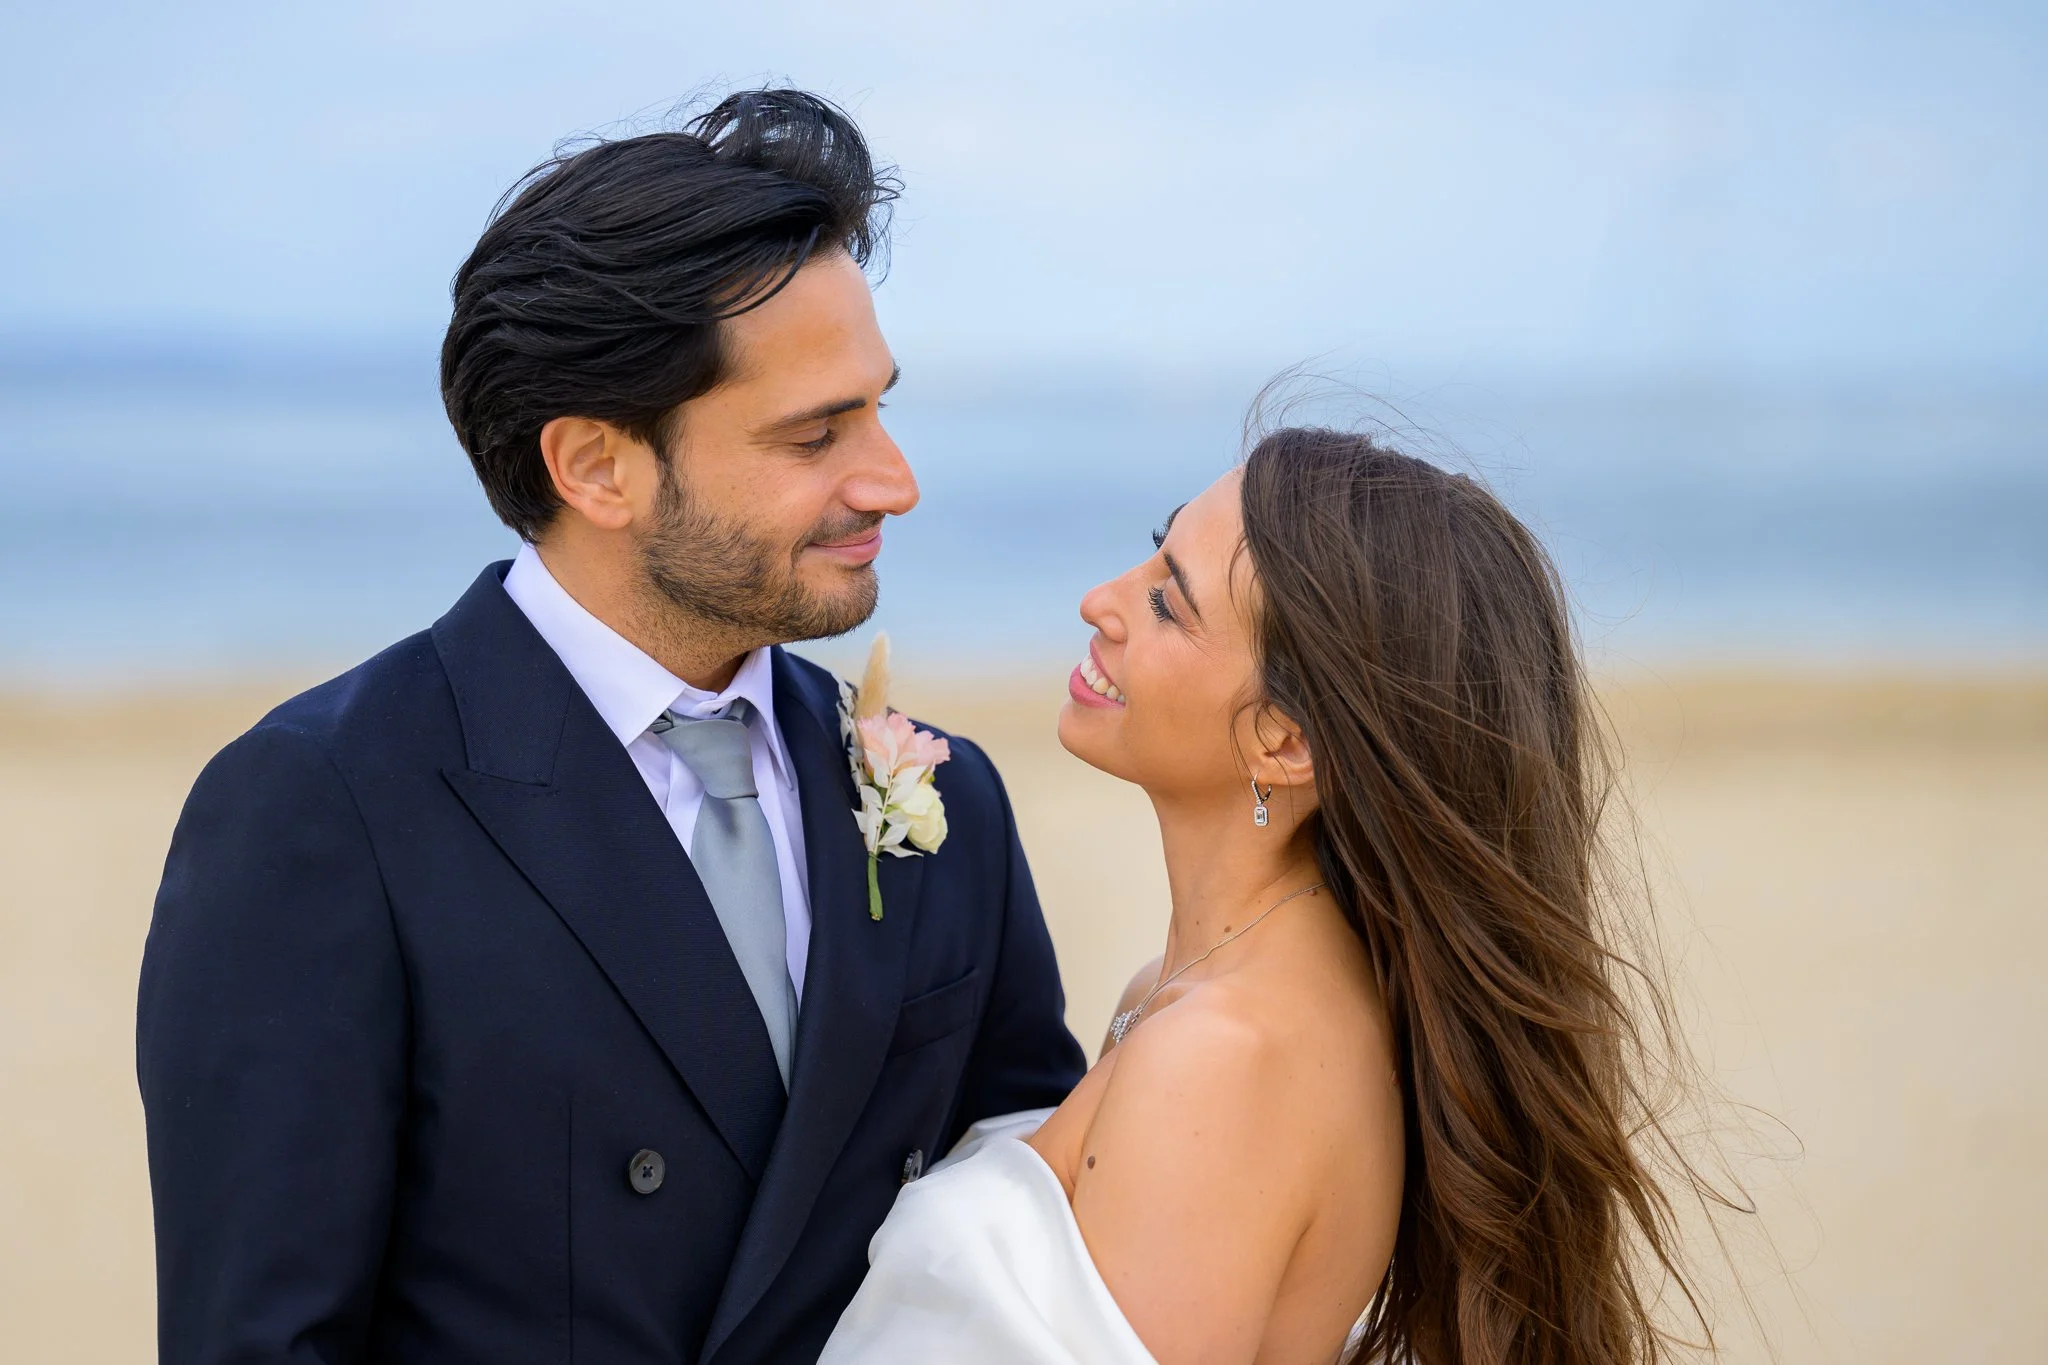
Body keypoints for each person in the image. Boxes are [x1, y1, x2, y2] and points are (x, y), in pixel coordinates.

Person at [136, 90, 1086, 1365]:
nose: (890, 480)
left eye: (877, 407)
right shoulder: (324, 809)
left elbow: (1038, 1256)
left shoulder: (942, 799)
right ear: (596, 467)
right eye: (816, 433)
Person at [823, 430, 1712, 1364]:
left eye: (1168, 603)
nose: (1101, 601)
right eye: (1153, 549)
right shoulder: (1197, 993)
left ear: (1284, 741)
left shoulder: (1220, 1059)